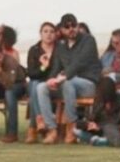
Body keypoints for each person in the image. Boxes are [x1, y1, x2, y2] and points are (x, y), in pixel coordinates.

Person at [37, 13, 101, 144]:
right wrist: (51, 80)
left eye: (74, 25)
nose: (71, 29)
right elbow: (56, 67)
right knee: (41, 87)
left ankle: (72, 128)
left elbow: (79, 63)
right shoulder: (61, 45)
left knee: (67, 82)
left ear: (77, 26)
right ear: (61, 29)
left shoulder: (88, 40)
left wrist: (62, 77)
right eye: (67, 26)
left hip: (87, 83)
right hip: (67, 84)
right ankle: (52, 129)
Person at [25, 22, 56, 143]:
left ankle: (33, 128)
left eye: (52, 31)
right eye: (45, 31)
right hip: (38, 82)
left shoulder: (59, 49)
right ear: (40, 34)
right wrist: (44, 67)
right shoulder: (34, 50)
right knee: (34, 84)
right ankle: (39, 121)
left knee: (35, 86)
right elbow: (31, 73)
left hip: (53, 83)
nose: (49, 34)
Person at [73, 77, 120, 147]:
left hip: (112, 129)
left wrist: (99, 127)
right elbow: (90, 118)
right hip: (98, 131)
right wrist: (89, 125)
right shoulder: (98, 102)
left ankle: (101, 141)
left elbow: (117, 122)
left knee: (109, 129)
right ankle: (99, 140)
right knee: (76, 130)